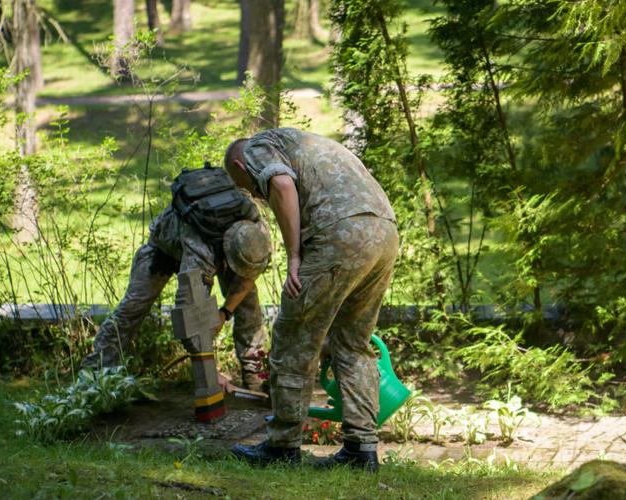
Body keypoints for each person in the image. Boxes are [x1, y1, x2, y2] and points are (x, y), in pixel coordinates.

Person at [224, 129, 399, 471]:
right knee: (353, 343)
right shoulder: (304, 143)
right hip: (385, 232)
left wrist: (293, 257)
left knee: (293, 339)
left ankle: (282, 447)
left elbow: (282, 186)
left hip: (340, 233)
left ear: (238, 165)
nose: (252, 193)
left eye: (246, 186)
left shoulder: (258, 147)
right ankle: (361, 450)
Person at [81, 167, 272, 392]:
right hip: (163, 249)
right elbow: (190, 318)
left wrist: (224, 312)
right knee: (134, 306)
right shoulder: (201, 252)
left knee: (248, 304)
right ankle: (96, 374)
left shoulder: (257, 233)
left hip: (218, 248)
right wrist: (210, 371)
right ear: (228, 256)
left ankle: (256, 374)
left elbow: (248, 278)